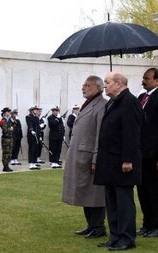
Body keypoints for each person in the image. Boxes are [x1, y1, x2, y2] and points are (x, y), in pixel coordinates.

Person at [94, 71, 142, 251]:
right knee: (112, 202)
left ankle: (127, 238)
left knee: (124, 203)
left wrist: (128, 160)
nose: (104, 85)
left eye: (107, 82)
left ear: (119, 83)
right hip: (109, 162)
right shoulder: (114, 102)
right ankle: (115, 236)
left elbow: (132, 134)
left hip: (122, 163)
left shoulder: (130, 102)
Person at [62, 75, 107, 240]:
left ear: (97, 88)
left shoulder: (101, 105)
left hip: (89, 157)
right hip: (80, 156)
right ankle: (91, 225)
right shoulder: (88, 103)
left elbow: (100, 135)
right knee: (85, 192)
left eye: (87, 85)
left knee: (95, 193)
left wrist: (96, 158)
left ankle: (98, 226)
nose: (83, 87)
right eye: (83, 85)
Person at [136, 67, 158, 237]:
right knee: (142, 191)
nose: (143, 81)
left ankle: (156, 225)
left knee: (154, 191)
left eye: (147, 78)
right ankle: (147, 224)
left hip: (153, 154)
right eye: (143, 78)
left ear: (157, 80)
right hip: (140, 154)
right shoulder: (141, 97)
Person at [0, 107, 14, 172]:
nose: (9, 113)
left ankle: (7, 164)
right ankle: (5, 166)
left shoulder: (10, 120)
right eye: (8, 112)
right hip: (5, 138)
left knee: (9, 152)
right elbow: (4, 130)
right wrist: (10, 129)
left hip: (10, 137)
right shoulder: (3, 120)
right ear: (4, 113)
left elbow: (14, 126)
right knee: (5, 152)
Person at [26, 105, 40, 170]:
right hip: (31, 136)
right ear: (32, 111)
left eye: (37, 110)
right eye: (35, 110)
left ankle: (34, 163)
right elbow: (29, 124)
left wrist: (39, 136)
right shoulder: (28, 117)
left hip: (36, 136)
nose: (36, 111)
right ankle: (31, 163)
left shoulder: (37, 118)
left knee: (36, 149)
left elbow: (38, 127)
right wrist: (31, 130)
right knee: (32, 149)